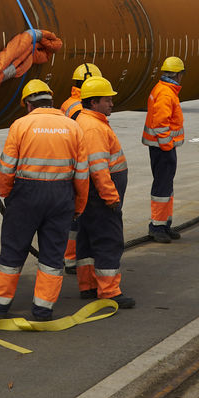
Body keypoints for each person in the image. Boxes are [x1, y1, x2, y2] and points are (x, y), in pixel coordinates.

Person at [0, 79, 89, 321]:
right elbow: (83, 173)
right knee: (53, 255)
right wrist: (78, 205)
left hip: (25, 196)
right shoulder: (72, 127)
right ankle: (43, 309)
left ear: (28, 105)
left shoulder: (20, 125)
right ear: (52, 102)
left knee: (12, 251)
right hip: (61, 197)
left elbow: (6, 167)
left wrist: (7, 193)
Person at [74, 76, 135, 309]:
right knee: (109, 240)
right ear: (93, 102)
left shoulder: (89, 122)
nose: (111, 103)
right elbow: (99, 168)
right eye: (107, 100)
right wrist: (111, 197)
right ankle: (109, 291)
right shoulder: (93, 128)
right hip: (100, 197)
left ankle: (88, 285)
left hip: (90, 195)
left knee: (88, 240)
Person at [61, 63, 103, 273]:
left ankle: (68, 258)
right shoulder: (83, 109)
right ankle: (71, 259)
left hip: (68, 164)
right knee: (78, 216)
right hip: (80, 168)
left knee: (72, 216)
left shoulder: (68, 104)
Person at [141, 56, 186, 243]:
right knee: (162, 187)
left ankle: (164, 224)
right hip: (162, 148)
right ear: (178, 74)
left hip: (162, 147)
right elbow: (160, 125)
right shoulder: (166, 93)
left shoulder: (164, 89)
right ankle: (157, 226)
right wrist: (167, 146)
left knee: (166, 186)